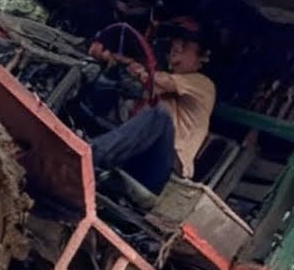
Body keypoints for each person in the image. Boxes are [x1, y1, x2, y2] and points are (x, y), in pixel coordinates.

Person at [86, 16, 216, 194]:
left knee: (159, 117)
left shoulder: (202, 84)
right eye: (173, 49)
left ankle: (89, 155)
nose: (175, 53)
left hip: (163, 172)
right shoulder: (158, 87)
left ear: (202, 58)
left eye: (183, 49)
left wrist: (132, 64)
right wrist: (111, 61)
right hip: (133, 159)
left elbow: (155, 79)